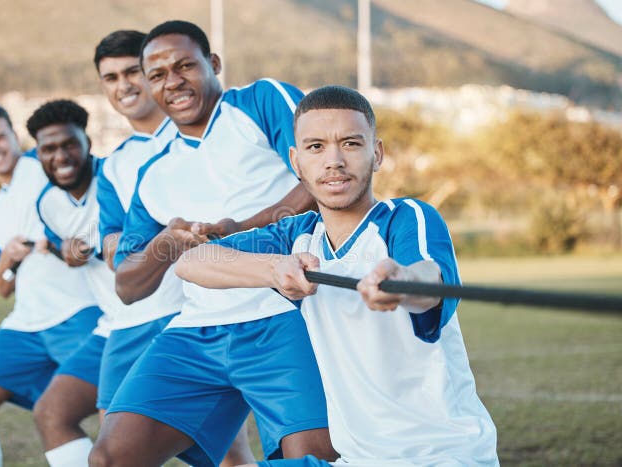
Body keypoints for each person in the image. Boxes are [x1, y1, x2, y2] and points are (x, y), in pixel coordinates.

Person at [175, 85, 500, 466]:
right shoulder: (296, 236)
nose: (334, 161)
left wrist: (400, 281)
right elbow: (191, 261)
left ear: (376, 154)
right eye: (316, 147)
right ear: (296, 163)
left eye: (350, 143)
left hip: (440, 456)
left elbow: (430, 282)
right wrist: (274, 268)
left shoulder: (406, 217)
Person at [90, 20, 336, 467]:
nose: (173, 81)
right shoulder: (153, 175)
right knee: (110, 457)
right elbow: (126, 286)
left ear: (213, 64)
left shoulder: (259, 102)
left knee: (314, 461)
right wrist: (168, 241)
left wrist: (238, 228)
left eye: (185, 65)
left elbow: (322, 177)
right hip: (198, 329)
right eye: (159, 74)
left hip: (284, 316)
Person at [91, 30, 255, 466]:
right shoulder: (116, 166)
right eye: (111, 78)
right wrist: (153, 243)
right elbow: (116, 248)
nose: (124, 85)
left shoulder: (206, 126)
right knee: (112, 443)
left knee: (229, 453)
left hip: (202, 312)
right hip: (135, 318)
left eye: (132, 72)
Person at [0, 106, 103, 467]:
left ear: (16, 138)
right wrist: (7, 258)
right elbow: (1, 286)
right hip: (26, 325)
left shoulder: (41, 164)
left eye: (0, 137)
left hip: (80, 314)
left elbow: (83, 162)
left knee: (121, 415)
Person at [26, 99, 109, 467]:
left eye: (69, 144)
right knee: (51, 414)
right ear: (37, 153)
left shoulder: (118, 176)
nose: (61, 156)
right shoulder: (48, 204)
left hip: (161, 319)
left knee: (120, 442)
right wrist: (68, 252)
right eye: (48, 148)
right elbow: (68, 250)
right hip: (114, 325)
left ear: (87, 142)